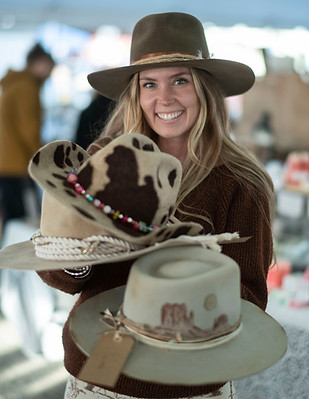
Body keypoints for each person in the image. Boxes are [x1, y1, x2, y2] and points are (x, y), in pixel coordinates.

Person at [36, 12, 275, 399]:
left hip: (191, 380)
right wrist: (77, 252)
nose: (164, 98)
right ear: (137, 93)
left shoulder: (240, 184)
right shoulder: (104, 162)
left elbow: (249, 297)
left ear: (205, 89)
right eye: (150, 84)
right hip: (105, 365)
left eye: (180, 80)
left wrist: (176, 301)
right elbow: (63, 277)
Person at [0, 43, 55, 232]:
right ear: (38, 64)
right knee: (27, 217)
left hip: (7, 161)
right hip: (19, 163)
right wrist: (42, 160)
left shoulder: (14, 84)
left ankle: (8, 255)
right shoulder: (26, 87)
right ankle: (19, 258)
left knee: (12, 213)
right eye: (49, 66)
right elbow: (29, 130)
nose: (50, 72)